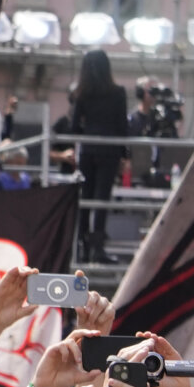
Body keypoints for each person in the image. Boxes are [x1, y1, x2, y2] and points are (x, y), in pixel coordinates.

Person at [63, 48, 131, 264]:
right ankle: (98, 248)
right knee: (102, 199)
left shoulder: (81, 95)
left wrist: (87, 133)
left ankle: (82, 247)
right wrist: (125, 154)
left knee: (87, 198)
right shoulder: (118, 92)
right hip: (109, 150)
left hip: (89, 150)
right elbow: (123, 126)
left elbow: (73, 128)